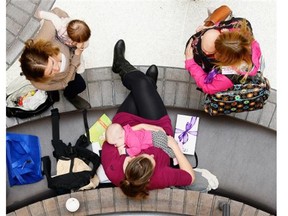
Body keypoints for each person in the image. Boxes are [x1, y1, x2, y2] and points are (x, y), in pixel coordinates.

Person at [101, 39, 217, 199]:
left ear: (130, 159)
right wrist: (174, 146)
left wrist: (136, 127)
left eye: (146, 155)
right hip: (159, 131)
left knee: (141, 84)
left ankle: (121, 65)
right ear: (149, 178)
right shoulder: (159, 178)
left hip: (127, 126)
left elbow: (109, 138)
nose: (152, 155)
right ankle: (149, 87)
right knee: (143, 85)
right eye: (152, 159)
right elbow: (190, 177)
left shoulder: (113, 168)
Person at [19, 8, 91, 110]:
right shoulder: (40, 84)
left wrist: (69, 30)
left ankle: (70, 96)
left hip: (70, 59)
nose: (57, 69)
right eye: (50, 72)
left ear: (47, 52)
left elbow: (55, 12)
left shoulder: (45, 39)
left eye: (52, 63)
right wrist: (77, 56)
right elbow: (63, 83)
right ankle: (59, 93)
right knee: (76, 85)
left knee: (80, 86)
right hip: (68, 73)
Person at [185, 6, 263, 95]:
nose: (201, 37)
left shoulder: (226, 77)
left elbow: (207, 88)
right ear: (223, 33)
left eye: (207, 51)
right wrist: (209, 28)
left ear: (218, 56)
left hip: (225, 86)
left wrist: (191, 63)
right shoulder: (242, 30)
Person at [35, 9, 91, 73]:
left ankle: (80, 64)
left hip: (71, 47)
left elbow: (85, 44)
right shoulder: (61, 26)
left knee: (78, 53)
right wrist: (41, 14)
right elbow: (53, 17)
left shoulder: (80, 39)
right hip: (60, 41)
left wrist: (81, 46)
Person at [105, 123, 175, 159]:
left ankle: (175, 155)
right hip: (155, 135)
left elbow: (136, 149)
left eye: (115, 143)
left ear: (120, 137)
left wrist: (125, 151)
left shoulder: (130, 139)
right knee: (166, 144)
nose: (115, 146)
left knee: (166, 150)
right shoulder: (127, 130)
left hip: (155, 139)